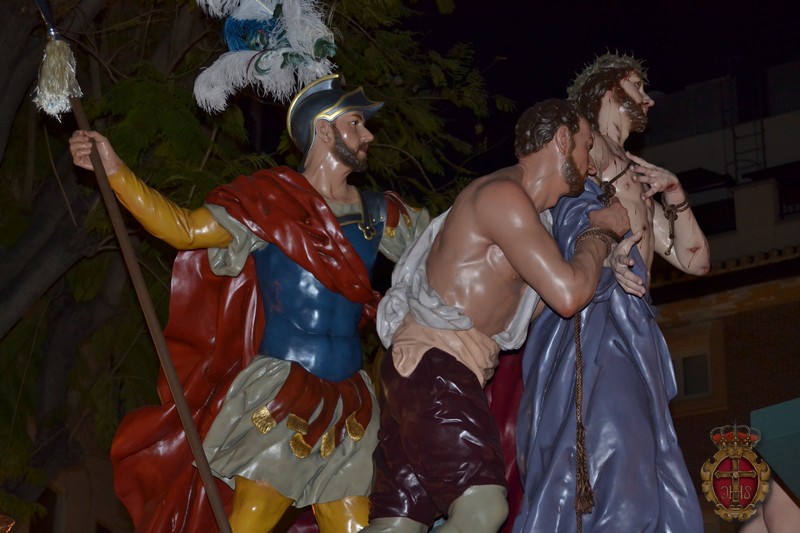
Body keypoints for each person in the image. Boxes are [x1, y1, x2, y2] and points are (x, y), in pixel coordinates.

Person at [70, 74, 429, 533]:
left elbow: (448, 250)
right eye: (356, 124)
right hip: (282, 393)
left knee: (358, 526)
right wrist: (115, 171)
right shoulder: (266, 204)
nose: (369, 135)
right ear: (324, 130)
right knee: (250, 523)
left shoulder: (380, 213)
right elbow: (184, 229)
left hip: (352, 404)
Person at [361, 99, 633, 533]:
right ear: (562, 139)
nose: (592, 165)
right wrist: (600, 233)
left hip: (422, 372)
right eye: (586, 147)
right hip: (436, 365)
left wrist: (604, 260)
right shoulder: (505, 197)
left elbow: (547, 301)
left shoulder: (531, 220)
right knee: (483, 509)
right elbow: (568, 294)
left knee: (398, 526)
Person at [512, 53, 710, 532]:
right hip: (596, 317)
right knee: (614, 443)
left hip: (635, 321)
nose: (648, 100)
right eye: (637, 86)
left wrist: (675, 194)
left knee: (642, 450)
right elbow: (569, 211)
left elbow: (696, 261)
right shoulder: (587, 144)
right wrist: (609, 253)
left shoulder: (633, 173)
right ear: (607, 91)